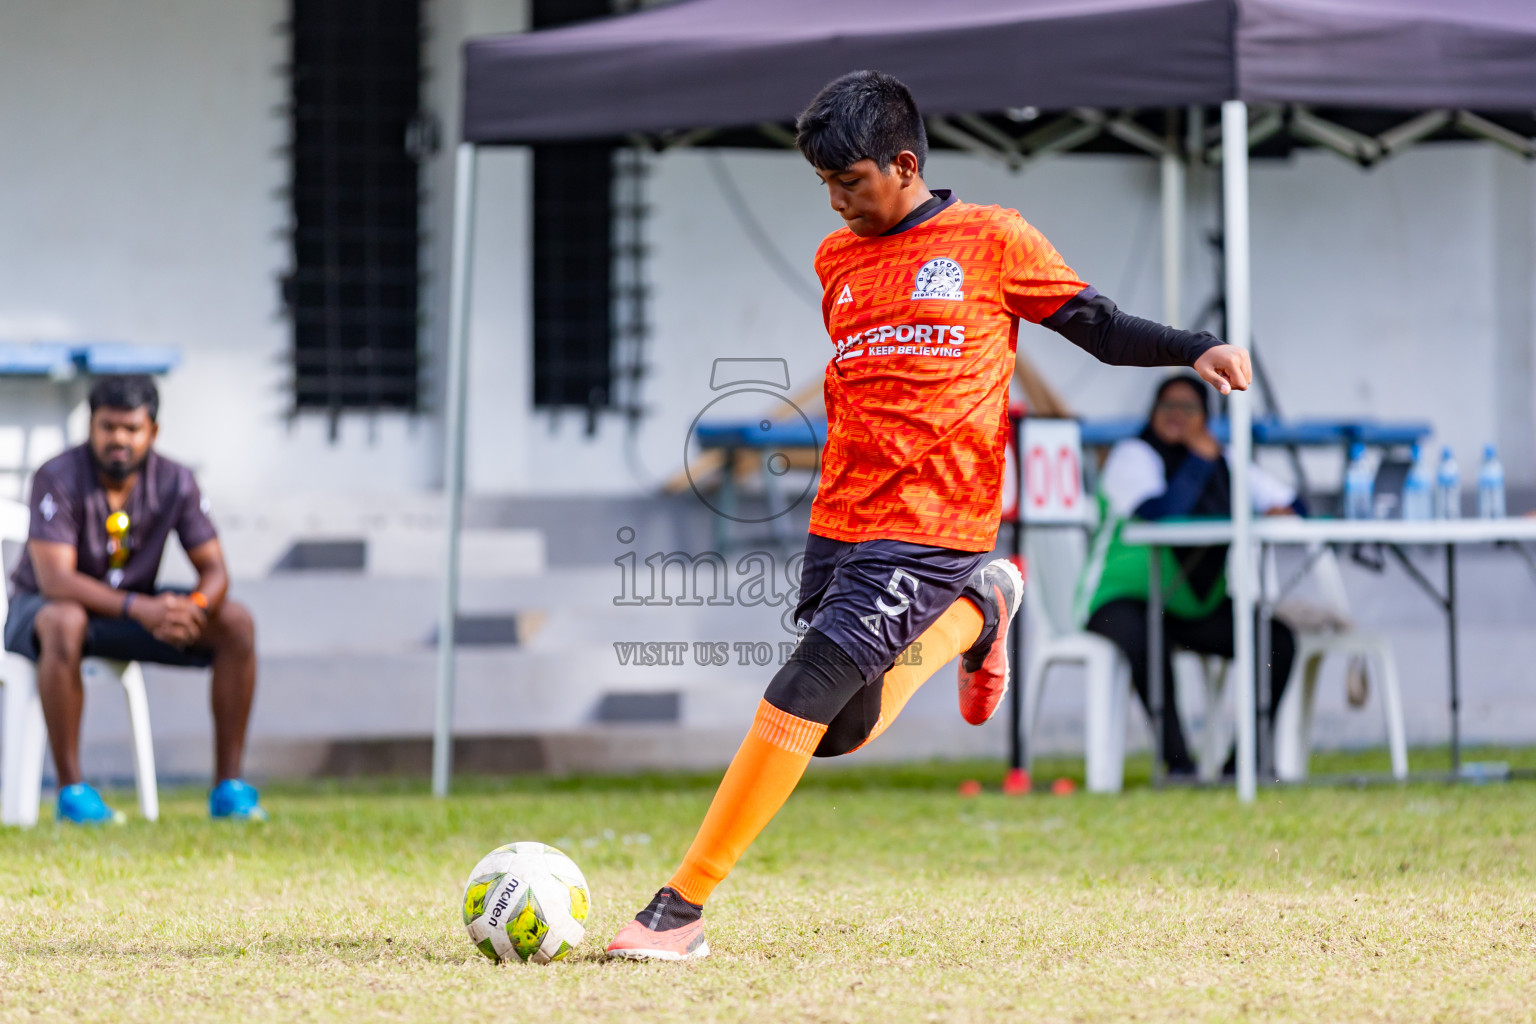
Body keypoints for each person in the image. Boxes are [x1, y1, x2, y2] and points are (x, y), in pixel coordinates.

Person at [605, 70, 1252, 961]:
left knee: (800, 686)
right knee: (836, 728)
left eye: (850, 183)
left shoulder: (991, 239)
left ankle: (680, 908)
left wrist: (1194, 347)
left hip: (934, 518)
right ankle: (981, 612)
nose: (835, 203)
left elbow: (1097, 325)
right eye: (824, 186)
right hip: (842, 520)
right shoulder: (837, 260)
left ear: (904, 164)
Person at [3, 375, 264, 823]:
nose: (118, 439)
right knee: (66, 619)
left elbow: (216, 571)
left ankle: (229, 791)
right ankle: (73, 794)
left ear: (153, 431)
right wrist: (141, 609)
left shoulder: (177, 481)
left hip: (131, 612)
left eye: (131, 428)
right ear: (91, 426)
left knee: (236, 622)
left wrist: (194, 608)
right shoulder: (58, 476)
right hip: (42, 613)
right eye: (108, 427)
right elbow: (56, 581)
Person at [1080, 373, 1302, 776]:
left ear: (1206, 417)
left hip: (1191, 604)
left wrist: (1275, 506)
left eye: (1188, 408)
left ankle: (1244, 764)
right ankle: (1178, 764)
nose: (1176, 416)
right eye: (1168, 406)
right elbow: (1161, 514)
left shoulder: (1226, 460)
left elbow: (1291, 501)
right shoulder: (1132, 454)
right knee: (1147, 637)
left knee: (1276, 640)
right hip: (1121, 598)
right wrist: (1200, 460)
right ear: (1152, 412)